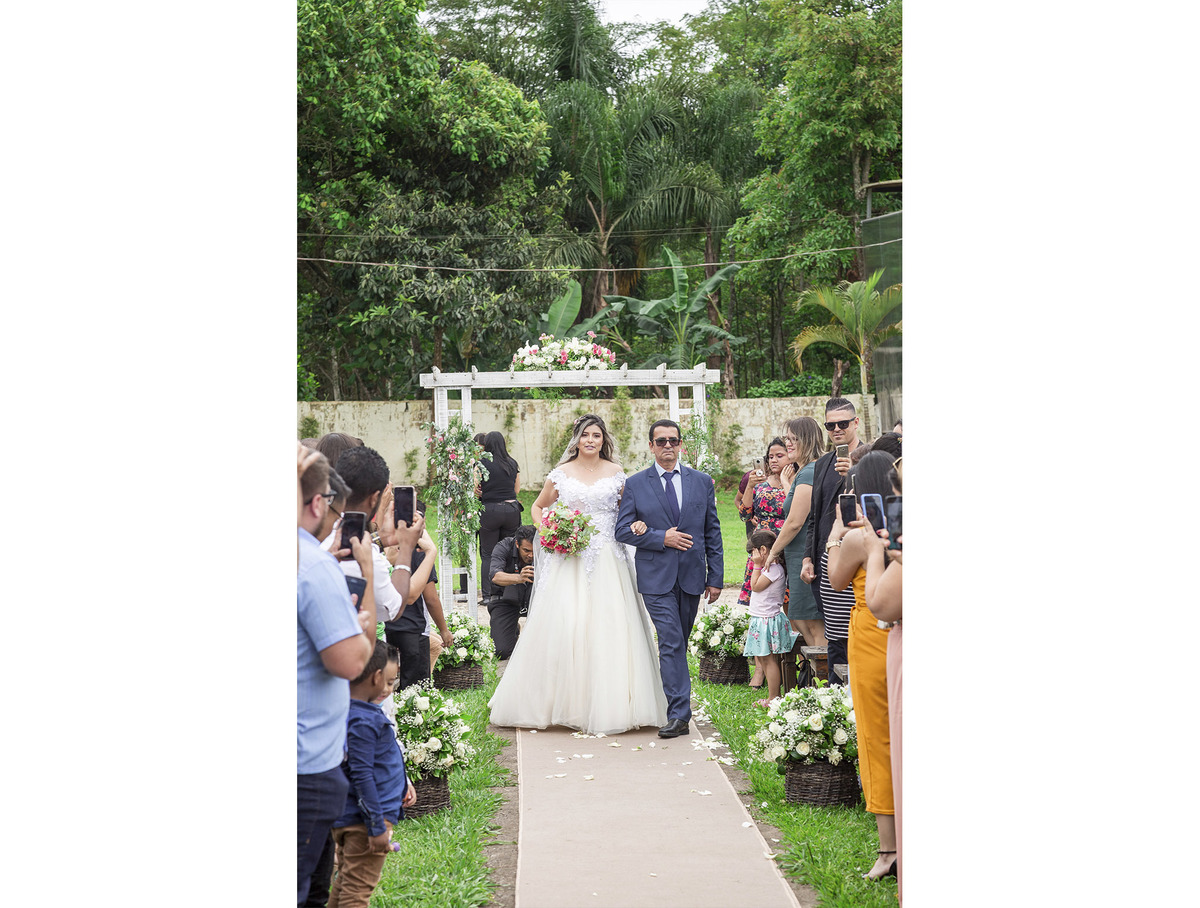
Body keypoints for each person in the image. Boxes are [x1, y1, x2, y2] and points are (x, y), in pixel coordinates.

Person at [489, 414, 668, 735]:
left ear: (603, 441)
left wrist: (640, 524)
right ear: (577, 439)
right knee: (567, 623)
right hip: (568, 557)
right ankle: (559, 702)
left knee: (610, 624)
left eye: (596, 435)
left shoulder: (617, 475)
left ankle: (614, 703)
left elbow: (631, 511)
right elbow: (538, 507)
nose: (591, 440)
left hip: (608, 557)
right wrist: (549, 529)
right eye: (586, 434)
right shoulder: (560, 475)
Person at [297, 448, 377, 905]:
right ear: (316, 503)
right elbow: (349, 663)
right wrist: (361, 626)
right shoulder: (313, 567)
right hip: (306, 762)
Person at [615, 419, 724, 739]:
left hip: (691, 577)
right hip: (656, 579)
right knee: (672, 640)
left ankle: (672, 699)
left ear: (681, 445)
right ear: (650, 446)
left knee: (679, 642)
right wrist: (661, 537)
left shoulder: (702, 482)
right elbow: (621, 530)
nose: (667, 447)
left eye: (672, 441)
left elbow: (712, 532)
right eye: (660, 441)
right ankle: (679, 714)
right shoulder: (636, 484)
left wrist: (715, 576)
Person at [826, 450, 899, 882]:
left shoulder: (860, 535)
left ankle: (888, 849)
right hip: (900, 633)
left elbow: (835, 578)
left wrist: (837, 529)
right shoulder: (901, 528)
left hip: (871, 638)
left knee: (877, 739)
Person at [329, 641, 418, 908]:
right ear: (376, 676)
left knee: (345, 885)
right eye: (389, 681)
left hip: (351, 818)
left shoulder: (350, 712)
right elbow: (362, 773)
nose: (389, 688)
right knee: (356, 895)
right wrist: (377, 826)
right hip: (364, 823)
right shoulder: (365, 720)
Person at [800, 398, 868, 677]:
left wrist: (850, 473)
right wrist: (807, 557)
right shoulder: (823, 464)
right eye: (830, 425)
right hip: (826, 557)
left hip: (861, 558)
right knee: (836, 635)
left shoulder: (871, 458)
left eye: (843, 423)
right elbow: (814, 516)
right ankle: (838, 699)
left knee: (858, 633)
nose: (837, 429)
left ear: (856, 422)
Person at [766, 417, 827, 649]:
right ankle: (816, 682)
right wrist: (785, 482)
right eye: (787, 439)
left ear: (808, 440)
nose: (788, 444)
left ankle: (825, 682)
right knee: (800, 618)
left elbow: (794, 522)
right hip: (797, 556)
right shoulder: (804, 472)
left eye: (794, 439)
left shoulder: (809, 471)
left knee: (812, 622)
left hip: (805, 555)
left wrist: (773, 552)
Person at [384, 500, 453, 690]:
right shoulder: (421, 552)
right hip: (412, 629)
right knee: (416, 689)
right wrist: (444, 629)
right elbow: (430, 598)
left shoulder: (382, 545)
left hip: (386, 627)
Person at [742, 528, 796, 707]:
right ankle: (773, 696)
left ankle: (774, 697)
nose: (752, 557)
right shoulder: (770, 568)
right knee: (764, 659)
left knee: (769, 659)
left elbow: (755, 586)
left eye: (753, 553)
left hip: (767, 620)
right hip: (762, 618)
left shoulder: (773, 569)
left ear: (763, 550)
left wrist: (757, 565)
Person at [735, 437, 789, 610]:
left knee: (790, 602)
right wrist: (750, 486)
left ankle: (794, 636)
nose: (773, 460)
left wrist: (786, 481)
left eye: (779, 455)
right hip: (763, 547)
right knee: (761, 601)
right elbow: (744, 514)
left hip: (788, 546)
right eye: (770, 456)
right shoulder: (761, 485)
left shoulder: (797, 481)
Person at [478, 431, 522, 602]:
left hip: (490, 511)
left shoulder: (482, 463)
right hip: (511, 510)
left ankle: (489, 595)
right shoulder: (512, 463)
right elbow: (517, 490)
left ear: (487, 445)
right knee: (509, 551)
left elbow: (475, 487)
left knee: (488, 554)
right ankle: (508, 592)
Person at [487, 524, 536, 660]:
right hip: (505, 599)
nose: (531, 555)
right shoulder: (503, 546)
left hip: (534, 598)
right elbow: (495, 576)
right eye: (526, 550)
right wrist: (519, 578)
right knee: (501, 651)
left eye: (534, 551)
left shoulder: (545, 549)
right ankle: (512, 628)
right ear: (517, 543)